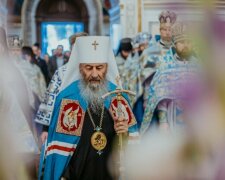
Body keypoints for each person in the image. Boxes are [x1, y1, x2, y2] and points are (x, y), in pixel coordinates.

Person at [38, 36, 138, 180]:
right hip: (77, 172)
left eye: (99, 68)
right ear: (80, 68)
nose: (95, 74)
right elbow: (59, 150)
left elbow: (130, 145)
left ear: (107, 67)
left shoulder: (118, 96)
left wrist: (123, 132)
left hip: (109, 171)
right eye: (89, 68)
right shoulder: (68, 97)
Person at [140, 22, 200, 134]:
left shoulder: (199, 66)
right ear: (175, 44)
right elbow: (160, 98)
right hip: (172, 116)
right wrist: (163, 122)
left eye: (188, 42)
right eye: (182, 42)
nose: (186, 45)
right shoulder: (165, 66)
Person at [35, 32, 88, 144]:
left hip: (90, 123)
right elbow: (50, 98)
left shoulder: (98, 71)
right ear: (71, 50)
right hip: (68, 122)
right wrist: (45, 129)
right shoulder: (62, 73)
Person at [133, 10, 177, 129]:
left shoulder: (179, 51)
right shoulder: (150, 52)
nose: (168, 33)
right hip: (154, 99)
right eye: (164, 29)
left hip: (175, 101)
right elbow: (145, 79)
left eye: (170, 29)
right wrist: (147, 100)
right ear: (160, 30)